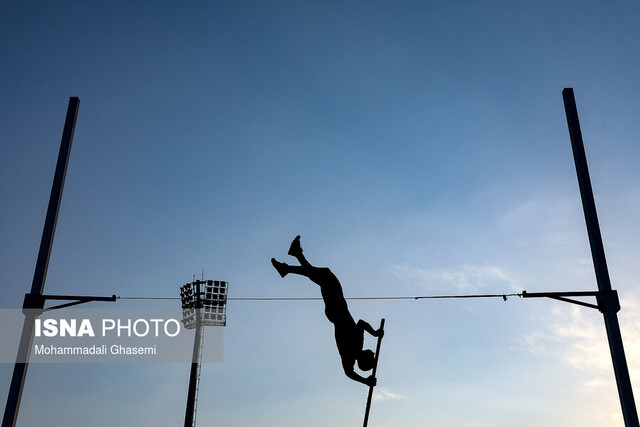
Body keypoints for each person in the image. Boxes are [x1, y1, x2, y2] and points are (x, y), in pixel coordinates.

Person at [271, 235, 383, 387]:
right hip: (341, 306)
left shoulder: (349, 355)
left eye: (372, 356)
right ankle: (287, 268)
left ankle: (296, 255)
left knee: (324, 279)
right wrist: (375, 333)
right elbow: (362, 323)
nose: (373, 352)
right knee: (326, 273)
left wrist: (365, 381)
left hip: (336, 311)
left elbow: (349, 372)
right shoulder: (357, 346)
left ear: (365, 358)